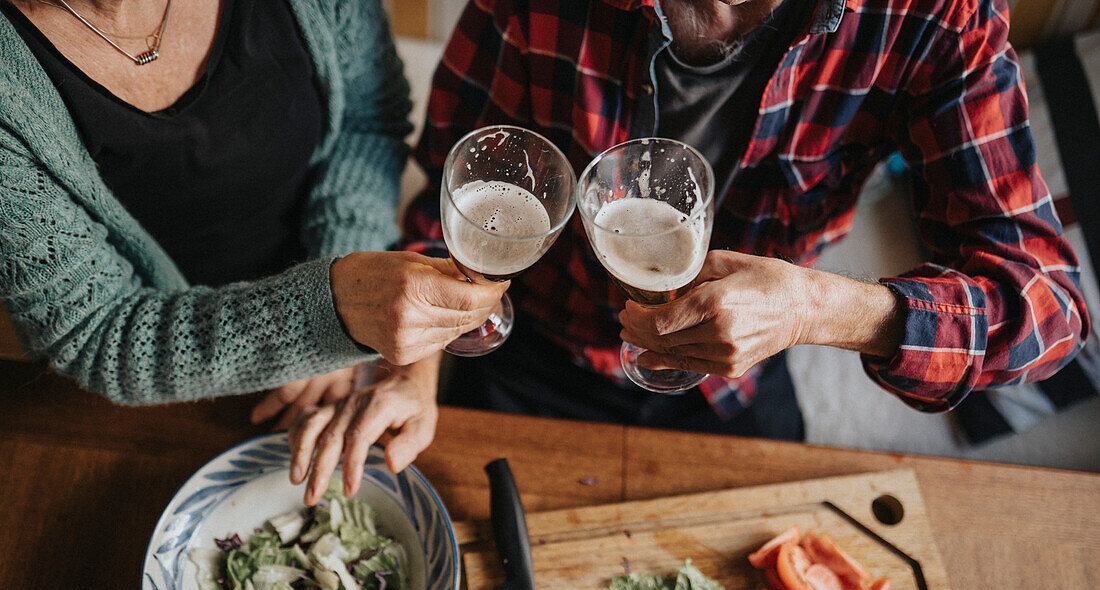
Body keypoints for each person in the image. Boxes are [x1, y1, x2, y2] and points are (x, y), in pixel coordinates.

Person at [290, 0, 1092, 491]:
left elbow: (1049, 313)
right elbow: (454, 180)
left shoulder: (935, 15)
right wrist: (416, 368)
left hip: (734, 384)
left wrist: (819, 308)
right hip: (528, 355)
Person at [0, 0, 508, 504]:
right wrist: (322, 318)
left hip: (351, 325)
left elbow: (369, 122)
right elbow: (96, 328)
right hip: (157, 383)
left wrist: (346, 282)